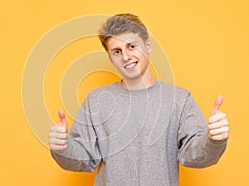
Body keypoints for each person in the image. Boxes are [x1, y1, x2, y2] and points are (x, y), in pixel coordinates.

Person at [49, 13, 229, 186]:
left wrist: (213, 140)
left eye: (132, 46)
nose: (126, 56)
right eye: (117, 51)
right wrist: (62, 147)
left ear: (148, 46)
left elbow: (195, 155)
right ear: (111, 59)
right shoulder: (96, 101)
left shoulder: (180, 100)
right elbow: (83, 159)